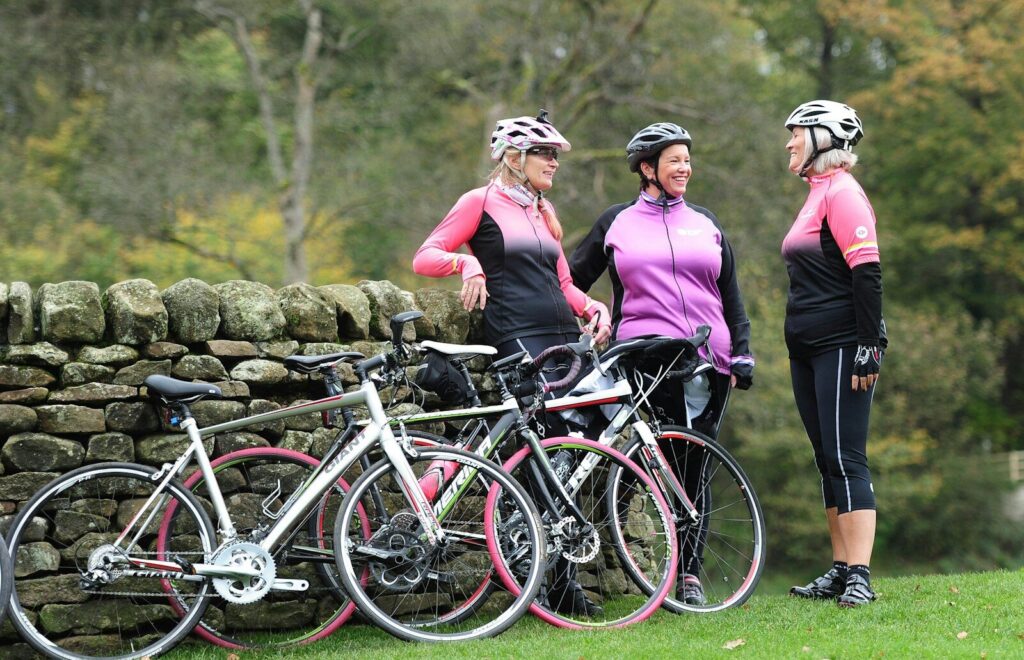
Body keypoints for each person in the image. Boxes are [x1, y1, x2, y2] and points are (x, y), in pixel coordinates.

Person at [413, 110, 610, 616]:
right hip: (520, 341)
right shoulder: (478, 202)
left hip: (565, 340)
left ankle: (556, 573)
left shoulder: (544, 211)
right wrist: (467, 262)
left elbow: (563, 283)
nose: (554, 163)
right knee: (541, 461)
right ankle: (549, 582)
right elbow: (426, 255)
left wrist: (593, 307)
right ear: (514, 157)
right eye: (545, 154)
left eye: (555, 155)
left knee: (572, 460)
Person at [569, 122, 755, 606]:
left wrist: (743, 352)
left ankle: (688, 575)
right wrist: (591, 314)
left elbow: (730, 294)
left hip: (710, 360)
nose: (685, 167)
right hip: (647, 358)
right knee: (659, 461)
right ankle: (620, 558)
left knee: (698, 464)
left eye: (688, 160)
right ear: (647, 168)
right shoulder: (617, 222)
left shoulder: (705, 222)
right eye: (675, 159)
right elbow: (570, 281)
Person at [781, 100, 886, 608]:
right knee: (826, 460)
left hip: (843, 344)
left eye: (796, 133)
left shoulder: (843, 193)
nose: (789, 142)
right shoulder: (815, 193)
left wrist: (870, 345)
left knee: (847, 458)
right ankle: (842, 568)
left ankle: (861, 574)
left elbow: (867, 272)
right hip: (807, 348)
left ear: (823, 137)